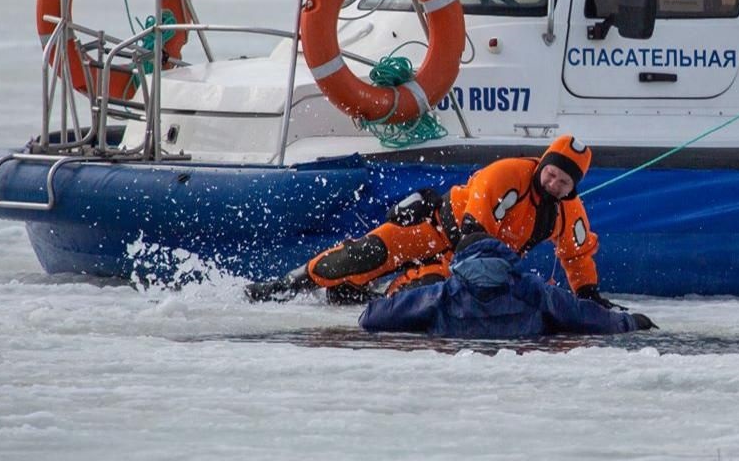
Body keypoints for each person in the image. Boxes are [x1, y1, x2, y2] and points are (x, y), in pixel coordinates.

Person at [245, 134, 621, 308]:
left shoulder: (568, 212)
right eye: (552, 173)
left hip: (465, 262)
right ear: (544, 165)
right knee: (363, 255)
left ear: (572, 187)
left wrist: (587, 293)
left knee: (422, 292)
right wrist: (475, 238)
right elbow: (479, 203)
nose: (554, 182)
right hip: (436, 229)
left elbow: (577, 253)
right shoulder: (509, 173)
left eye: (564, 181)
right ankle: (288, 284)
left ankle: (370, 296)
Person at [357, 236, 655, 338]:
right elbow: (583, 316)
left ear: (460, 260)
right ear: (501, 256)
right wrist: (631, 321)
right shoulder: (531, 289)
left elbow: (371, 319)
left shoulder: (442, 293)